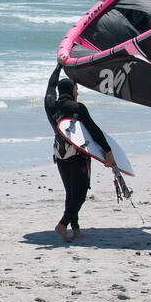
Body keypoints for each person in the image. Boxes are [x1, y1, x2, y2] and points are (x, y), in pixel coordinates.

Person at [43, 64, 114, 243]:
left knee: (70, 192)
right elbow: (94, 130)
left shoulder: (50, 105)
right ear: (72, 90)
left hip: (60, 156)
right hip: (78, 155)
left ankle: (75, 229)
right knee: (80, 193)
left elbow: (50, 86)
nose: (78, 92)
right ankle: (63, 224)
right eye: (76, 89)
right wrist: (108, 151)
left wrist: (59, 65)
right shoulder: (77, 107)